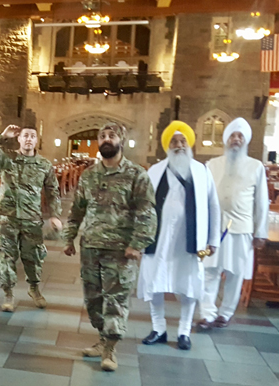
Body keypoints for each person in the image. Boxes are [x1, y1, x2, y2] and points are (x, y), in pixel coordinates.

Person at [63, 122, 157, 372]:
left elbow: (147, 214)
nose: (106, 139)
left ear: (121, 141)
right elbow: (77, 210)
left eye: (112, 136)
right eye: (102, 136)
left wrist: (137, 244)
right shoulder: (89, 175)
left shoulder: (137, 175)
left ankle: (110, 349)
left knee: (115, 299)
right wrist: (69, 237)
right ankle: (103, 337)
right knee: (93, 300)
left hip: (121, 250)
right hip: (91, 246)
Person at [138, 121, 220, 351]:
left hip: (190, 240)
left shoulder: (202, 171)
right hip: (158, 238)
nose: (179, 145)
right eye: (174, 141)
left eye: (183, 141)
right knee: (154, 281)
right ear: (167, 145)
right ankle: (158, 329)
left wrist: (213, 239)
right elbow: (142, 206)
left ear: (189, 144)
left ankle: (184, 331)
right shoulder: (154, 171)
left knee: (189, 284)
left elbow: (213, 206)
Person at [0, 124, 62, 312]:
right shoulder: (7, 158)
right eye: (25, 135)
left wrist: (55, 215)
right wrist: (3, 136)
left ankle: (34, 288)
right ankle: (8, 294)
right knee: (7, 257)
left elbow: (52, 191)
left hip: (31, 218)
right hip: (7, 217)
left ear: (36, 140)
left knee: (33, 257)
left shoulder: (44, 165)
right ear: (19, 139)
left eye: (32, 136)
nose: (28, 139)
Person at [197, 117, 268, 330]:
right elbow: (203, 199)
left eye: (240, 136)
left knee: (235, 274)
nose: (235, 139)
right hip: (214, 229)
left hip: (241, 229)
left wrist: (260, 232)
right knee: (209, 272)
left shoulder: (256, 167)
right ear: (226, 139)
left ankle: (225, 313)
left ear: (245, 141)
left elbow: (262, 202)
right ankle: (207, 314)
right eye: (232, 136)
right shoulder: (211, 165)